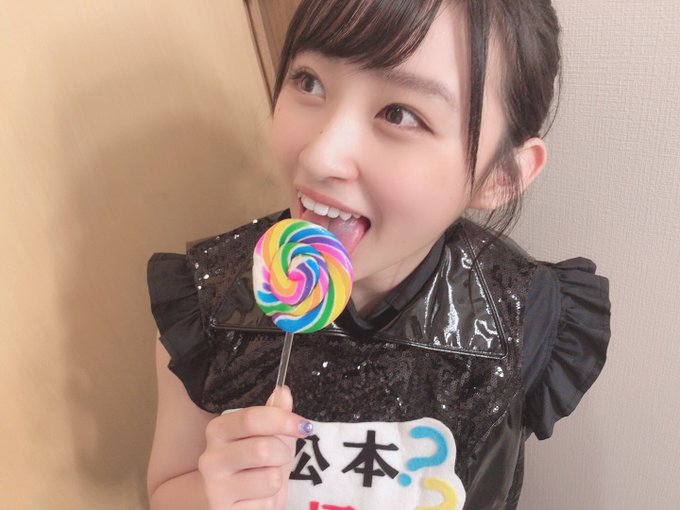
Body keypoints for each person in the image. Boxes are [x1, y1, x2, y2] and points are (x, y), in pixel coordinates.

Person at [146, 0, 610, 508]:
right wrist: (212, 495)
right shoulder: (210, 299)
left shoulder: (528, 313)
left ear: (501, 175)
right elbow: (167, 489)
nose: (319, 156)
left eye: (399, 114)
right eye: (309, 82)